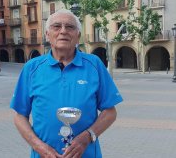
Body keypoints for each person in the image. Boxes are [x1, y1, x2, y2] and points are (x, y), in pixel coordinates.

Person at [10, 9, 123, 157]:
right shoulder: (32, 68)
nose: (63, 31)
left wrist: (88, 136)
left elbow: (110, 112)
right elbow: (19, 116)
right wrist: (39, 146)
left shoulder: (94, 65)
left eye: (70, 27)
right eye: (56, 26)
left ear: (78, 36)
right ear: (47, 35)